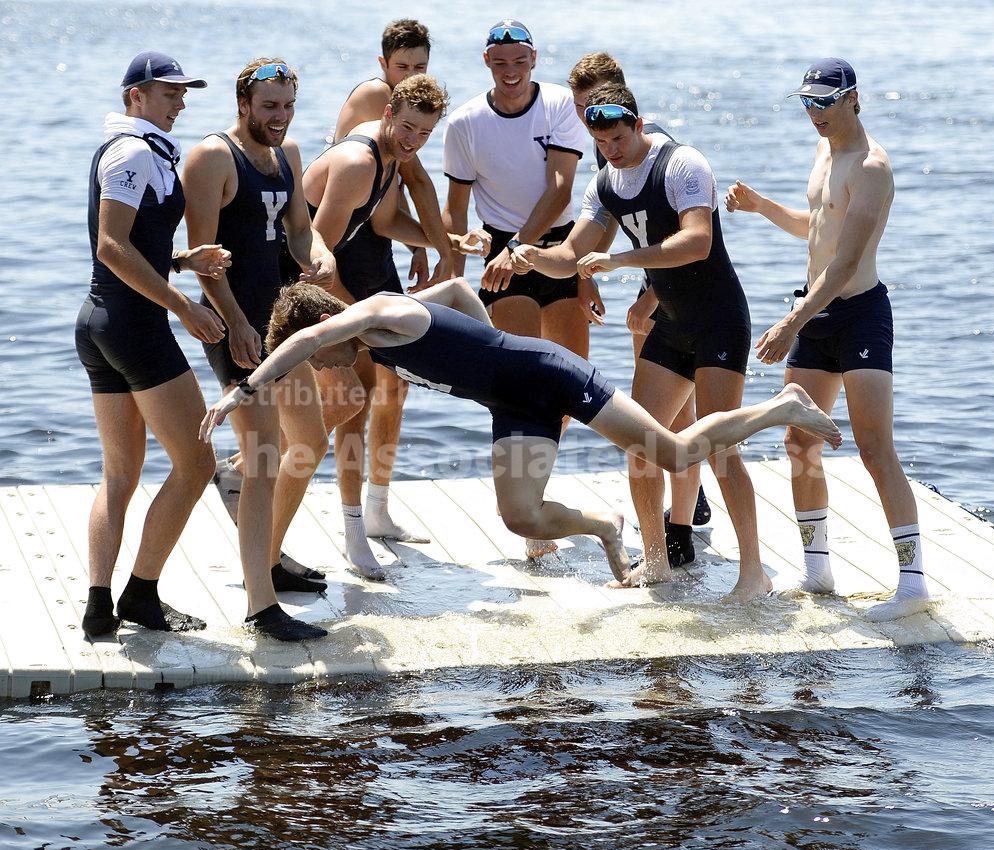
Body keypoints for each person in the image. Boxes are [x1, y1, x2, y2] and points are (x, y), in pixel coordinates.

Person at [198, 280, 843, 590]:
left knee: (669, 450)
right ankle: (606, 528)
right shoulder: (375, 335)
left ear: (326, 327)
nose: (321, 365)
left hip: (547, 373)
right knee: (519, 517)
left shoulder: (376, 314)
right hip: (511, 399)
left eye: (318, 353)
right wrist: (486, 346)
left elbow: (310, 339)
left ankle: (782, 405)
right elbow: (454, 287)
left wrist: (243, 388)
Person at [511, 83, 766, 600]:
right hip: (671, 324)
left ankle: (753, 571)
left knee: (720, 450)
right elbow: (573, 253)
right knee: (642, 445)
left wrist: (622, 261)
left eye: (620, 137)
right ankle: (655, 565)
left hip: (719, 320)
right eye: (602, 141)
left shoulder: (682, 164)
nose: (613, 149)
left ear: (639, 124)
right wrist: (529, 256)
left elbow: (698, 242)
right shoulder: (603, 183)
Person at [725, 58, 930, 621]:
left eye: (824, 103)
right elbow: (816, 226)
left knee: (873, 447)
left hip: (859, 314)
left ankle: (912, 585)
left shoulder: (872, 167)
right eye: (807, 103)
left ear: (853, 98)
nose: (814, 113)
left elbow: (844, 263)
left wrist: (792, 321)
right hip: (815, 312)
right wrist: (762, 206)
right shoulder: (823, 152)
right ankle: (818, 571)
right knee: (799, 442)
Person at [296, 74, 489, 578]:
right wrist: (354, 321)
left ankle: (356, 522)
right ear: (387, 114)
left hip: (332, 286)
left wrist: (445, 240)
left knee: (352, 402)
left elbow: (382, 225)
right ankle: (346, 527)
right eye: (406, 127)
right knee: (348, 402)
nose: (412, 140)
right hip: (295, 289)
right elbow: (315, 258)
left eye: (423, 134)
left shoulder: (390, 160)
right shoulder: (360, 163)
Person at [181, 59, 341, 640]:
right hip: (236, 329)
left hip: (278, 323)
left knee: (311, 439)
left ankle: (266, 558)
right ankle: (260, 605)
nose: (280, 117)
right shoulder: (212, 158)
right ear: (243, 103)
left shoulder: (288, 154)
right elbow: (202, 257)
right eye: (269, 106)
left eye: (288, 106)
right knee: (268, 454)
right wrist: (238, 324)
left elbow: (299, 228)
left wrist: (315, 254)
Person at [76, 51, 229, 637]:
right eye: (169, 93)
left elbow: (130, 243)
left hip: (102, 324)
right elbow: (110, 247)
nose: (181, 101)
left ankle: (98, 609)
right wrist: (184, 304)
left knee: (121, 474)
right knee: (198, 461)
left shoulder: (139, 150)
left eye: (183, 92)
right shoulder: (134, 151)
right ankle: (140, 595)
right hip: (133, 328)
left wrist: (184, 259)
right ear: (135, 96)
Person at [442, 19, 590, 559]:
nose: (510, 72)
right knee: (526, 389)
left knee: (572, 388)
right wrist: (460, 255)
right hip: (501, 258)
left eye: (519, 61)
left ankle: (535, 496)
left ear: (534, 59)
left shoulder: (558, 105)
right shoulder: (463, 123)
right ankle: (531, 524)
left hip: (561, 247)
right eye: (500, 62)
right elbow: (455, 212)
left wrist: (532, 252)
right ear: (486, 62)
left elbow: (562, 188)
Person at [566, 52, 711, 567]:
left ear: (629, 106)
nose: (594, 119)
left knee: (676, 418)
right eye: (584, 109)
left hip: (680, 295)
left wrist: (651, 292)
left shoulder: (664, 152)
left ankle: (683, 520)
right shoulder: (608, 155)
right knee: (664, 417)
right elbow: (602, 230)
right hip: (647, 286)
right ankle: (677, 521)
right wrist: (578, 277)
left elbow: (689, 238)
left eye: (601, 105)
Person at [329, 20, 453, 551]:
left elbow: (399, 193)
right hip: (342, 253)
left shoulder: (413, 115)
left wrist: (428, 246)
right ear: (383, 69)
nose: (410, 76)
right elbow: (418, 181)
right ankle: (354, 521)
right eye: (402, 67)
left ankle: (377, 510)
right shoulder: (379, 99)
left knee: (394, 384)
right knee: (353, 396)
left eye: (420, 67)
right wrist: (440, 250)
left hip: (375, 241)